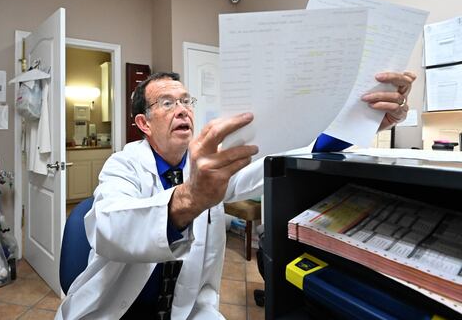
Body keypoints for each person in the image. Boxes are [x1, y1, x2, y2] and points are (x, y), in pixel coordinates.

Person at [57, 70, 415, 319]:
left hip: (187, 312)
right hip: (111, 312)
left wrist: (360, 122)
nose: (182, 109)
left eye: (185, 101)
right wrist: (190, 198)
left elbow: (284, 158)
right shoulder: (122, 165)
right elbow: (109, 229)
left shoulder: (211, 165)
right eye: (167, 103)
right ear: (144, 124)